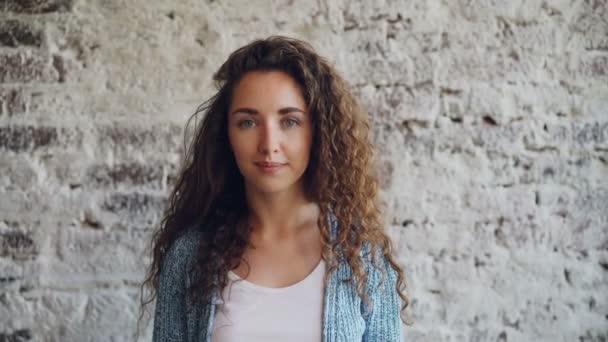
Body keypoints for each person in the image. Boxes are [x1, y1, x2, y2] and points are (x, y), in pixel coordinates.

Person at [138, 35, 411, 342]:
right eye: (248, 123)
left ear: (317, 131)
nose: (269, 145)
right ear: (226, 134)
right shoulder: (190, 256)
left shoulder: (361, 257)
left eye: (290, 121)